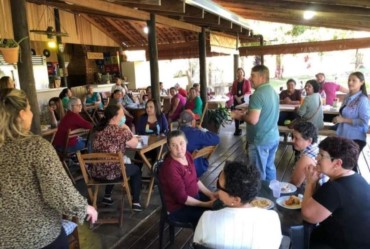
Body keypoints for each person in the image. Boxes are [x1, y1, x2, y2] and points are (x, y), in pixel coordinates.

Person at [0, 88, 97, 249]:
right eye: (30, 109)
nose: (32, 114)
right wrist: (84, 207)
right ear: (22, 114)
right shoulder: (35, 147)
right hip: (38, 234)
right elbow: (57, 189)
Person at [301, 137, 370, 249]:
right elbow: (323, 200)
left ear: (337, 163)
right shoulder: (355, 177)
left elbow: (308, 215)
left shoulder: (335, 188)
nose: (317, 158)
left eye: (322, 155)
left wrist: (310, 183)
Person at [194, 161, 282, 248]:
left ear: (236, 200)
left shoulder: (207, 219)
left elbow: (197, 244)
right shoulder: (272, 218)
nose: (216, 187)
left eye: (219, 185)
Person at [159, 130, 217, 228]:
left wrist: (210, 194)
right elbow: (183, 199)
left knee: (219, 206)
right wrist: (206, 204)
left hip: (194, 197)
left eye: (181, 143)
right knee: (208, 217)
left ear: (186, 142)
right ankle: (199, 242)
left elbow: (195, 179)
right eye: (174, 145)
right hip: (179, 208)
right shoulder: (170, 167)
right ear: (169, 147)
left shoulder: (188, 155)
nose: (179, 149)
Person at [231, 65, 279, 181]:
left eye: (253, 76)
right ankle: (270, 194)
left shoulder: (258, 94)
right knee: (269, 168)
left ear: (262, 77)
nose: (250, 78)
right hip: (273, 137)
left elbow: (253, 120)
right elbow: (264, 111)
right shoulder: (272, 91)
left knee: (258, 172)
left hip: (260, 140)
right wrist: (248, 111)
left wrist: (240, 115)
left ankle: (260, 197)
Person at [92, 104, 143, 211]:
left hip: (97, 172)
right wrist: (126, 127)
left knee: (110, 163)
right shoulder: (121, 131)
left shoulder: (98, 130)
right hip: (113, 173)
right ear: (115, 117)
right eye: (122, 114)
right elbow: (134, 144)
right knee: (136, 169)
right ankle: (136, 202)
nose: (124, 116)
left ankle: (107, 196)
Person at [333, 72, 370, 166]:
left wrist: (344, 120)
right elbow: (344, 113)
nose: (350, 82)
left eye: (354, 80)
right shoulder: (347, 97)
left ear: (362, 82)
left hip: (355, 139)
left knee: (348, 168)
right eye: (349, 80)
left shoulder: (363, 100)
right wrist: (338, 119)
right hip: (343, 136)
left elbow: (364, 122)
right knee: (341, 166)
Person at [178, 110, 219, 177]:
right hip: (194, 170)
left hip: (177, 169)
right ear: (192, 122)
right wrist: (203, 129)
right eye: (195, 120)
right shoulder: (196, 133)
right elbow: (216, 139)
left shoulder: (176, 133)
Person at [290, 121, 318, 187]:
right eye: (293, 137)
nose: (292, 140)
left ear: (309, 141)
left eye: (296, 138)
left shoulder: (307, 158)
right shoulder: (316, 147)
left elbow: (294, 184)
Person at [231, 67, 251, 136]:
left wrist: (241, 97)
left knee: (243, 114)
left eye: (241, 72)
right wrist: (237, 98)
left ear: (243, 73)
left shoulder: (247, 81)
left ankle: (243, 129)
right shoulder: (235, 82)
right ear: (236, 74)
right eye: (238, 72)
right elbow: (233, 91)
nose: (239, 74)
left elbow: (249, 91)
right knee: (236, 114)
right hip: (236, 100)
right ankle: (237, 129)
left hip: (244, 100)